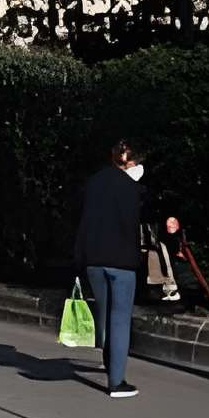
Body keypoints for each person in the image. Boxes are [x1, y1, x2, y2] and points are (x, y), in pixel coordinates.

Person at [71, 139, 148, 396]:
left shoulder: (94, 182)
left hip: (94, 259)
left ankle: (109, 362)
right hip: (121, 260)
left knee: (104, 315)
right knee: (120, 319)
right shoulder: (132, 188)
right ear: (132, 162)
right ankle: (117, 381)